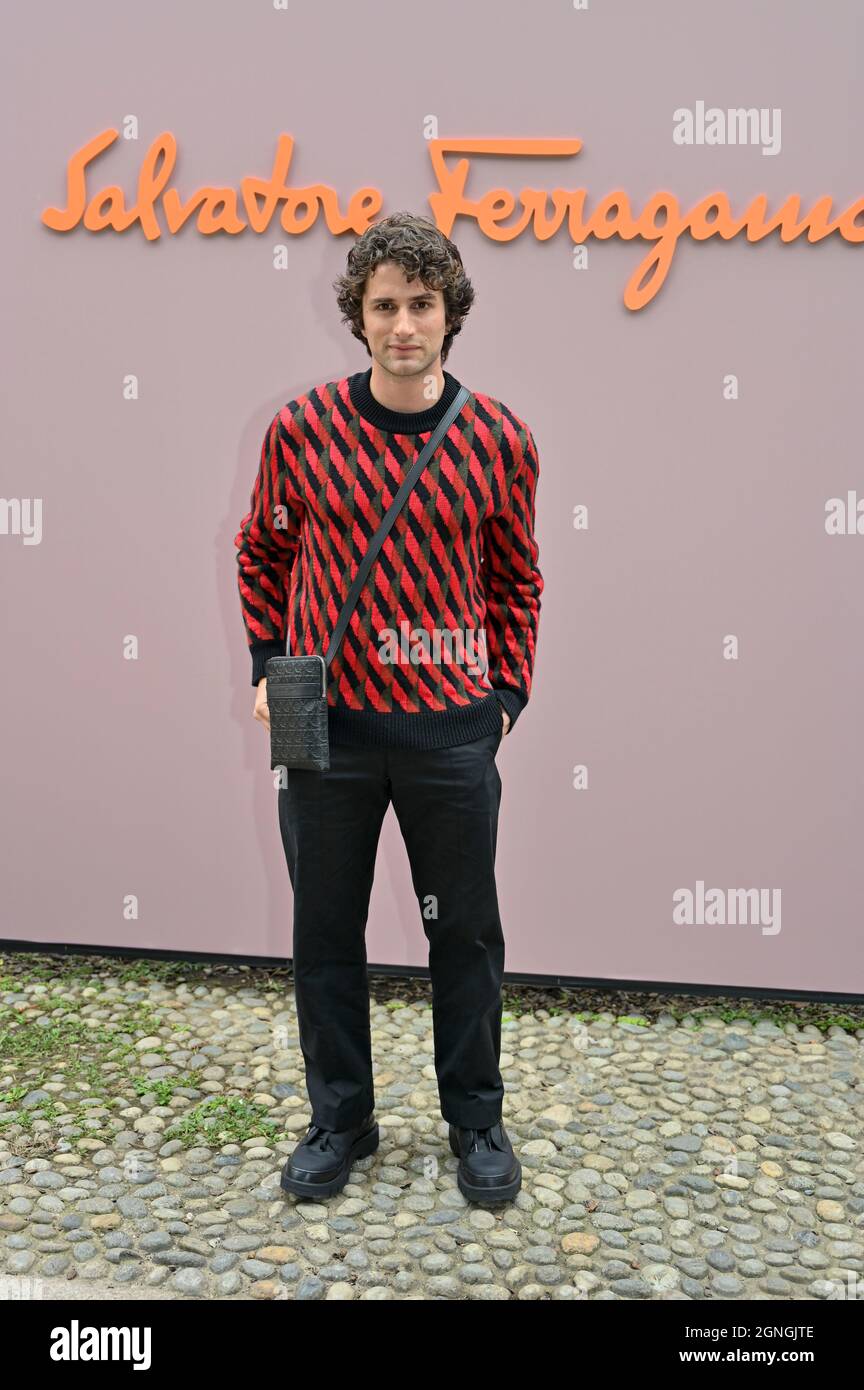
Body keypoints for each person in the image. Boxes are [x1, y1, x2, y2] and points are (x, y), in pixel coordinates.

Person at [234, 211, 543, 1205]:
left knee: (465, 934)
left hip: (450, 726)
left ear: (450, 315)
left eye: (422, 303)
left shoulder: (498, 436)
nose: (403, 324)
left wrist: (505, 699)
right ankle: (341, 1118)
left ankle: (477, 1123)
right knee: (324, 929)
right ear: (357, 317)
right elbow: (263, 552)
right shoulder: (302, 428)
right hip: (319, 715)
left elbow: (517, 581)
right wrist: (265, 668)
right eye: (385, 306)